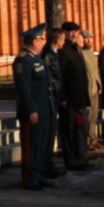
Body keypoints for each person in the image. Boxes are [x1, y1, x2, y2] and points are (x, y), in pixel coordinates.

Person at [13, 24, 55, 190]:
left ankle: (39, 175)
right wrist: (32, 110)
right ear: (34, 42)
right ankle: (30, 179)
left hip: (44, 109)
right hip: (33, 112)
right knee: (31, 147)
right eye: (41, 39)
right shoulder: (23, 60)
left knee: (41, 146)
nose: (43, 42)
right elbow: (24, 88)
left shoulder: (37, 58)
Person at [57, 22, 92, 170]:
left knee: (81, 129)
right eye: (70, 31)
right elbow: (59, 76)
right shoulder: (62, 51)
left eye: (76, 31)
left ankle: (80, 156)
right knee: (69, 130)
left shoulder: (77, 49)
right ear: (64, 33)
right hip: (69, 100)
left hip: (80, 99)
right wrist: (62, 98)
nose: (74, 34)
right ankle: (71, 160)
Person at [41, 27, 65, 178]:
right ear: (57, 41)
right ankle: (46, 166)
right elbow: (49, 79)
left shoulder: (54, 54)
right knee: (48, 135)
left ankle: (49, 164)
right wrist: (57, 94)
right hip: (50, 99)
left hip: (55, 98)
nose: (64, 42)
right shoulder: (47, 55)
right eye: (62, 39)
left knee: (51, 134)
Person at [81, 30, 104, 151]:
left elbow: (96, 71)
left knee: (94, 116)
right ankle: (86, 141)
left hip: (95, 89)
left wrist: (99, 85)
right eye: (86, 38)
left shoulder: (90, 52)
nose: (89, 41)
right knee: (87, 117)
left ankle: (93, 139)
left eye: (90, 38)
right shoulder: (81, 53)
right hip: (87, 90)